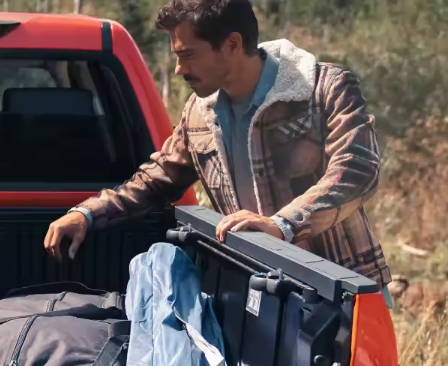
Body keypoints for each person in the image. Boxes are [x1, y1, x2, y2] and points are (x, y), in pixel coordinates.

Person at [44, 0, 391, 299]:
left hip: (339, 290)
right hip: (259, 288)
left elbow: (356, 171)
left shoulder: (324, 89)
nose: (179, 69)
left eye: (188, 55)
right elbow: (157, 179)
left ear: (232, 44)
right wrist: (88, 213)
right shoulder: (200, 110)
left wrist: (283, 224)